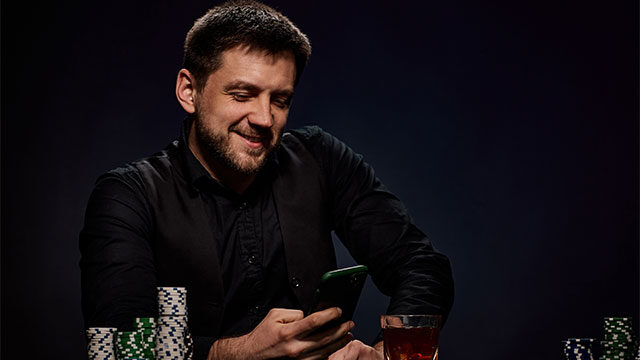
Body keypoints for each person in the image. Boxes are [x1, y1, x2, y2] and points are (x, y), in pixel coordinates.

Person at [79, 1, 454, 359]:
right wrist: (240, 353)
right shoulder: (128, 195)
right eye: (242, 95)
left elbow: (421, 266)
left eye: (280, 100)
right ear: (189, 91)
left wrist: (388, 352)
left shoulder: (320, 158)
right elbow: (120, 340)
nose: (264, 118)